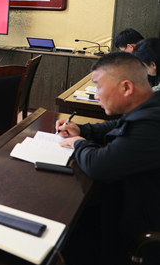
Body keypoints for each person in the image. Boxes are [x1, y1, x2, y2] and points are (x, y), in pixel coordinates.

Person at [57, 51, 160, 265]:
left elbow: (98, 165)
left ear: (126, 87)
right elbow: (118, 125)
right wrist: (82, 130)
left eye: (98, 86)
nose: (96, 95)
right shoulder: (149, 106)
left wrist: (78, 143)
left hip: (138, 228)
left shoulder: (151, 125)